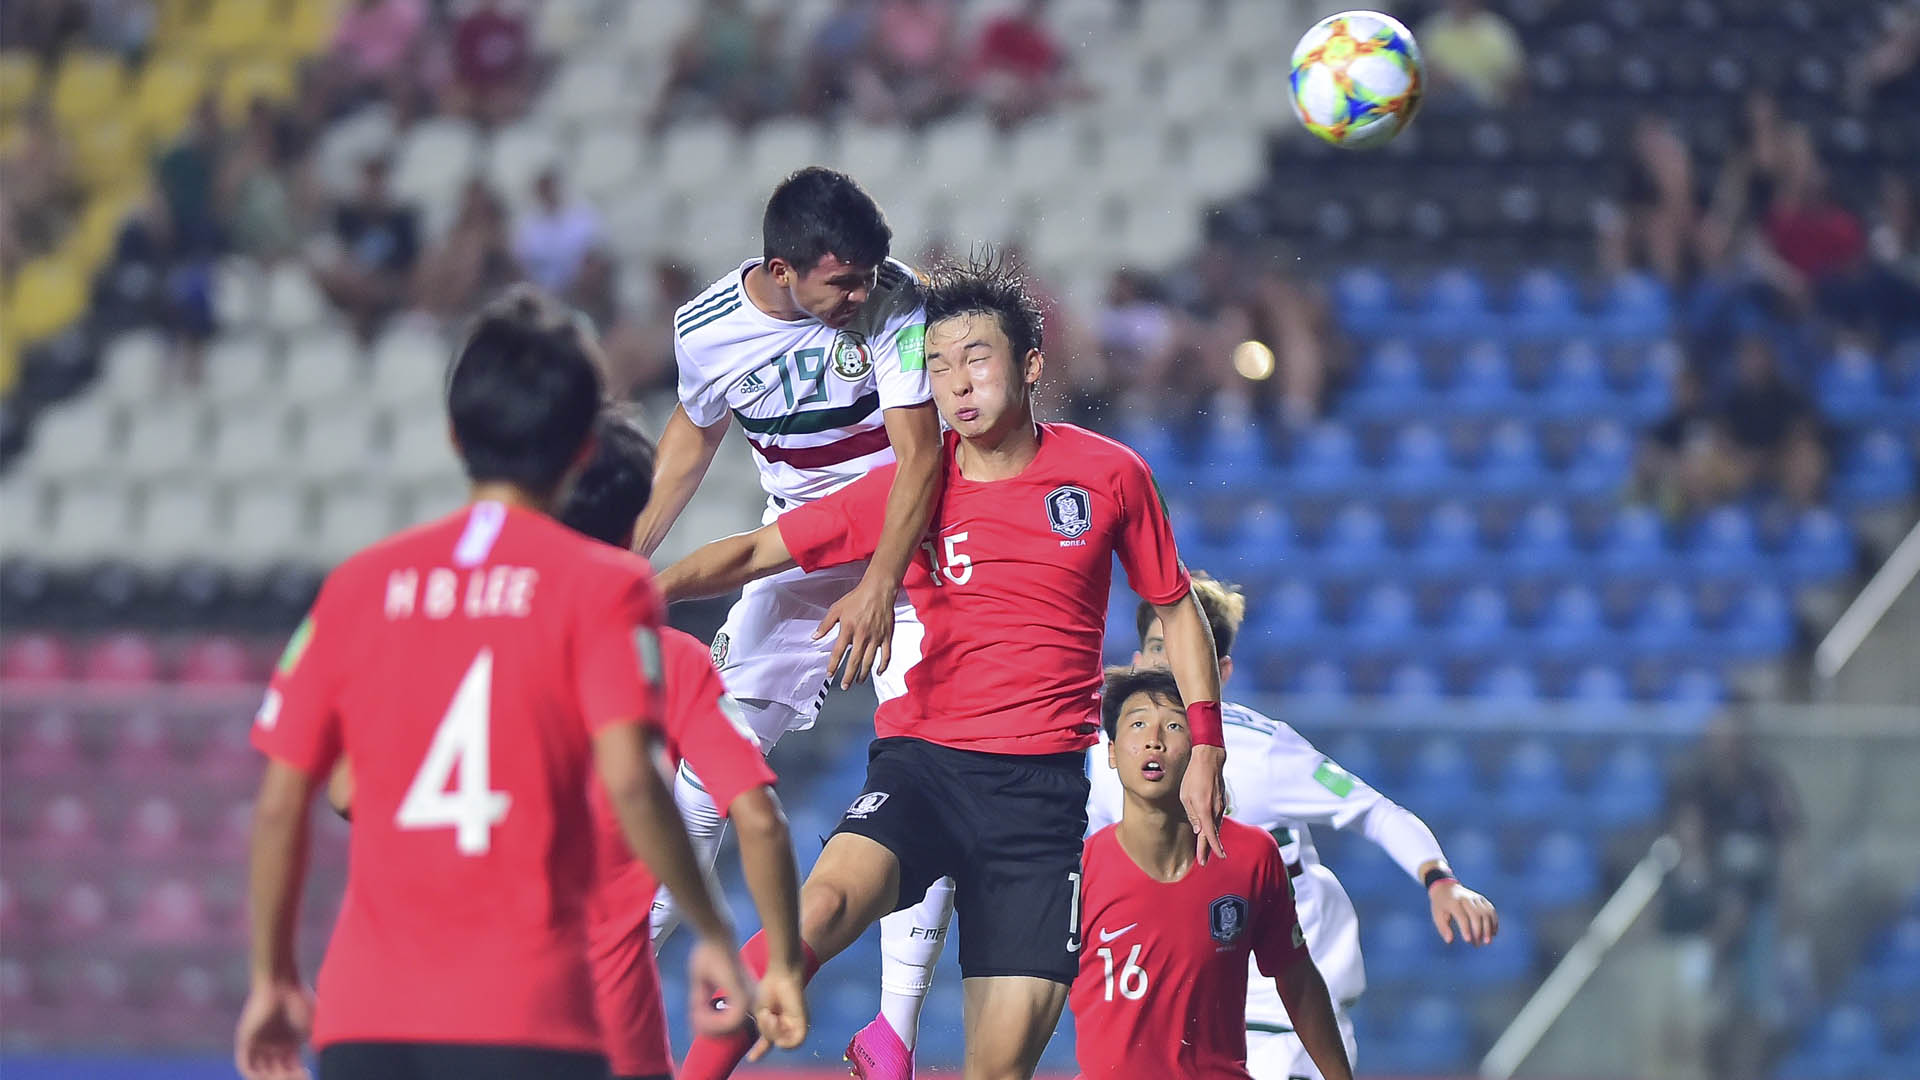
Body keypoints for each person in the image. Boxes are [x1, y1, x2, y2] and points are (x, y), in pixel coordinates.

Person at [661, 257, 1228, 1080]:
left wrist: (1205, 748)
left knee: (994, 1072)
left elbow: (1175, 608)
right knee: (809, 918)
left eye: (977, 360)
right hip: (923, 771)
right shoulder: (909, 490)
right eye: (937, 365)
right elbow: (755, 550)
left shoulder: (1111, 475)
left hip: (1039, 805)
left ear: (1030, 366)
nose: (956, 384)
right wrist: (643, 587)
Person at [234, 289, 756, 1080]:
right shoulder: (602, 590)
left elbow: (285, 803)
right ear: (585, 450)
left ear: (453, 436)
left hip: (366, 1018)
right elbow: (634, 785)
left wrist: (272, 979)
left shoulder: (358, 586)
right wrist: (716, 936)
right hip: (529, 1015)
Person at [322, 408, 811, 1080]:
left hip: (431, 1007)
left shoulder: (453, 639)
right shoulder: (671, 660)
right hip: (597, 1031)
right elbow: (758, 817)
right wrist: (771, 959)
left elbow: (348, 792)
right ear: (632, 524)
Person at [632, 167, 942, 950]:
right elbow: (693, 435)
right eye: (841, 282)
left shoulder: (894, 298)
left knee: (932, 773)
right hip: (800, 544)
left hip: (911, 541)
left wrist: (878, 582)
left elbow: (918, 456)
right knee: (704, 780)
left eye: (867, 279)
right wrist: (625, 561)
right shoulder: (704, 328)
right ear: (781, 271)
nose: (858, 296)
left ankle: (894, 1036)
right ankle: (616, 994)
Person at [1094, 576, 1499, 1080]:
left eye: (1187, 650)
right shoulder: (1109, 761)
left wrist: (1441, 881)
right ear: (1137, 659)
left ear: (1218, 671)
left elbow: (1375, 811)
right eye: (1159, 647)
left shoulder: (1265, 752)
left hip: (1283, 1018)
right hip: (1184, 1015)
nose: (1169, 665)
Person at [1075, 667, 1352, 1080]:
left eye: (1173, 725)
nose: (1155, 739)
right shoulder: (1079, 870)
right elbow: (1037, 990)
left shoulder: (1253, 855)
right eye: (1137, 724)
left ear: (1202, 746)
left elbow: (1296, 976)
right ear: (1112, 752)